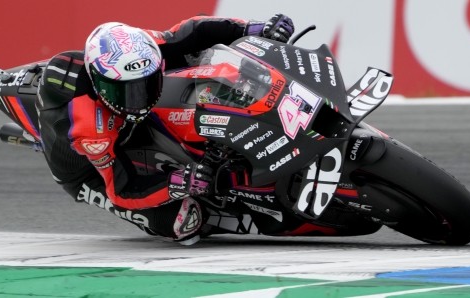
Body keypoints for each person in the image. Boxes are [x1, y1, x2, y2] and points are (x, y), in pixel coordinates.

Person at [36, 14, 295, 245]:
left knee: (195, 55)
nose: (138, 99)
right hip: (88, 172)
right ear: (99, 84)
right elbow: (121, 190)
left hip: (127, 123)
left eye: (145, 85)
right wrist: (181, 182)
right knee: (185, 222)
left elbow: (194, 32)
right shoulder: (91, 129)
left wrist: (254, 29)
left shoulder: (141, 46)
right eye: (125, 91)